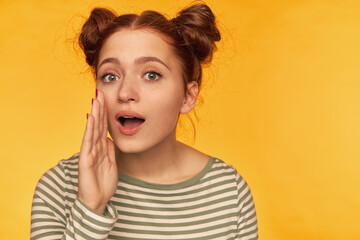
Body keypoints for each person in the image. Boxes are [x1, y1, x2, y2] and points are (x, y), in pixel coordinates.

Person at [30, 3, 258, 239]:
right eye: (110, 76)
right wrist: (91, 208)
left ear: (188, 96)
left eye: (151, 75)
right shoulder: (59, 187)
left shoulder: (230, 192)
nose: (125, 92)